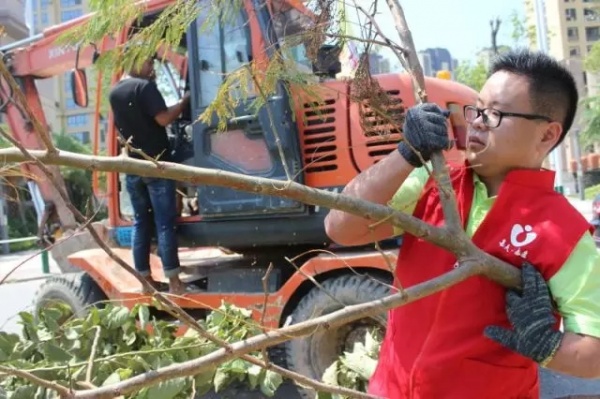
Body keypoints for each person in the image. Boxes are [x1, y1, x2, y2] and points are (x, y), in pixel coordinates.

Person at [324, 49, 600, 398]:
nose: (478, 121)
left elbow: (593, 354)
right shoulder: (431, 181)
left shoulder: (563, 231)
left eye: (496, 113)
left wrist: (546, 345)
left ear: (547, 135)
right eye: (478, 109)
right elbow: (340, 227)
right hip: (391, 389)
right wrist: (405, 153)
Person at [109, 55, 191, 295]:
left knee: (140, 222)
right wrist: (184, 102)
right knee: (164, 222)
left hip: (133, 167)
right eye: (147, 62)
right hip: (157, 164)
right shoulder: (144, 87)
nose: (151, 66)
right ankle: (175, 282)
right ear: (133, 62)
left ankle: (145, 281)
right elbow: (163, 118)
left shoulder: (115, 93)